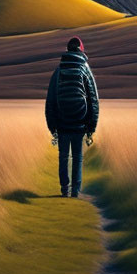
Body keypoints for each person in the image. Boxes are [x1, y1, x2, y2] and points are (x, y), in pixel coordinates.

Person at [45, 36, 99, 198]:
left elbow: (51, 100)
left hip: (62, 124)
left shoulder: (59, 70)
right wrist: (91, 127)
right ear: (81, 50)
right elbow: (93, 100)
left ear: (68, 50)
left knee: (63, 157)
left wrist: (52, 127)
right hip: (79, 123)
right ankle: (75, 191)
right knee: (77, 157)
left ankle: (64, 189)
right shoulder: (85, 69)